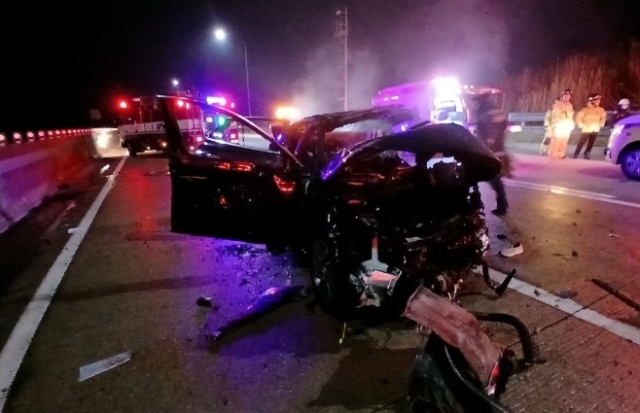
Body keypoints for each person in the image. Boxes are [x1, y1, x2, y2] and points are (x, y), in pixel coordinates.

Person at [473, 93, 510, 216]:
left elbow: (486, 128)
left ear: (480, 101)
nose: (475, 104)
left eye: (476, 101)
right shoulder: (495, 109)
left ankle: (499, 204)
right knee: (493, 176)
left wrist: (489, 139)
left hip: (489, 147)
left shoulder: (484, 111)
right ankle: (501, 203)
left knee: (491, 176)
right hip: (496, 145)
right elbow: (504, 125)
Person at [573, 93, 606, 159]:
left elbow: (603, 117)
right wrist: (581, 125)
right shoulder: (585, 110)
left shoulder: (600, 110)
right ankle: (576, 154)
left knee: (591, 143)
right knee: (582, 142)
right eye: (597, 101)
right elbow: (578, 118)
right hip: (586, 129)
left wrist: (601, 124)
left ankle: (587, 153)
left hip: (595, 129)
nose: (599, 102)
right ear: (593, 101)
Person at [548, 89, 575, 159]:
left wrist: (571, 123)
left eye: (569, 96)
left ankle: (561, 154)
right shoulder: (558, 105)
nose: (567, 97)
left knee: (564, 140)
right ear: (562, 96)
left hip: (567, 125)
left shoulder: (570, 105)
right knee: (556, 140)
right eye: (566, 95)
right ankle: (553, 154)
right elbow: (555, 115)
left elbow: (571, 115)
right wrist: (557, 123)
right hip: (559, 125)